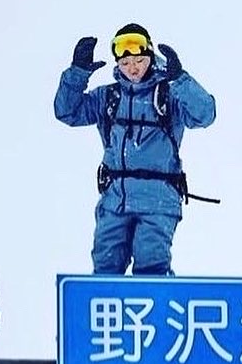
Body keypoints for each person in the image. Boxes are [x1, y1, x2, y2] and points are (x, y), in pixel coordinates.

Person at [54, 22, 216, 276]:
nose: (133, 68)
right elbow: (67, 112)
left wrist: (180, 79)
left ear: (150, 58)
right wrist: (77, 73)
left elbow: (205, 115)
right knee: (106, 269)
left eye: (139, 61)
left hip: (158, 200)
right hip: (115, 200)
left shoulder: (168, 95)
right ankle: (107, 313)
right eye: (126, 63)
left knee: (151, 267)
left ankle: (155, 312)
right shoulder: (107, 97)